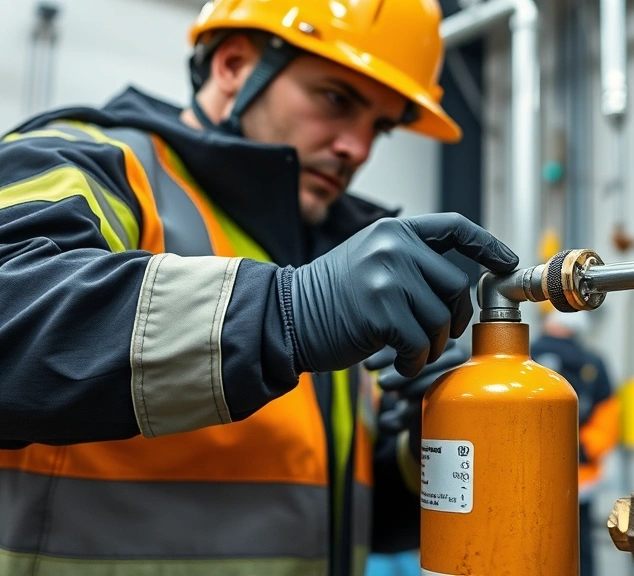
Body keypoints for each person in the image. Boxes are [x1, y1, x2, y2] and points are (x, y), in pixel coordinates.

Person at [0, 1, 518, 574]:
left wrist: (425, 446)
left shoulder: (331, 249)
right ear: (233, 65)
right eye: (336, 99)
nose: (358, 148)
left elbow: (316, 499)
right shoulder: (93, 164)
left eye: (380, 125)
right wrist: (287, 314)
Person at [532, 312, 620, 576]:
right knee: (580, 547)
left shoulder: (526, 357)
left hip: (532, 475)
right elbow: (609, 416)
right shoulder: (593, 362)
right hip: (581, 478)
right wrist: (581, 449)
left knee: (533, 543)